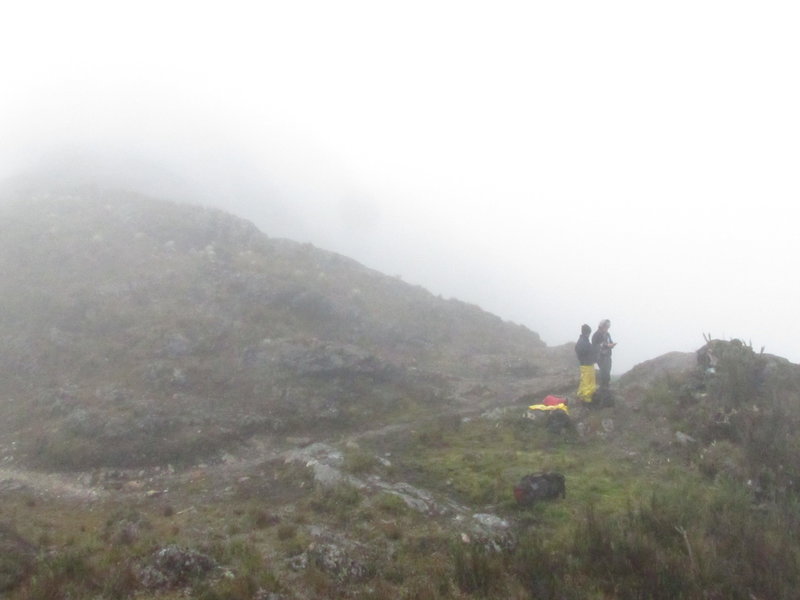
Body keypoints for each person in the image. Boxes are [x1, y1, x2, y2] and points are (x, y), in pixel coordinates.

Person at [592, 319, 617, 404]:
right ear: (601, 326)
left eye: (608, 327)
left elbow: (610, 342)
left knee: (607, 372)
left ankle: (606, 388)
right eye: (606, 326)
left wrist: (612, 345)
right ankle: (602, 391)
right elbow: (595, 346)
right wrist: (606, 345)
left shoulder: (607, 334)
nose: (607, 328)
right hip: (601, 357)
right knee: (604, 372)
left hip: (608, 355)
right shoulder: (596, 335)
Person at [575, 324, 597, 404]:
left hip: (585, 364)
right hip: (587, 364)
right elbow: (586, 352)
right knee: (588, 383)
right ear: (587, 332)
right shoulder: (583, 342)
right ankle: (587, 399)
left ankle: (580, 396)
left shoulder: (582, 340)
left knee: (584, 381)